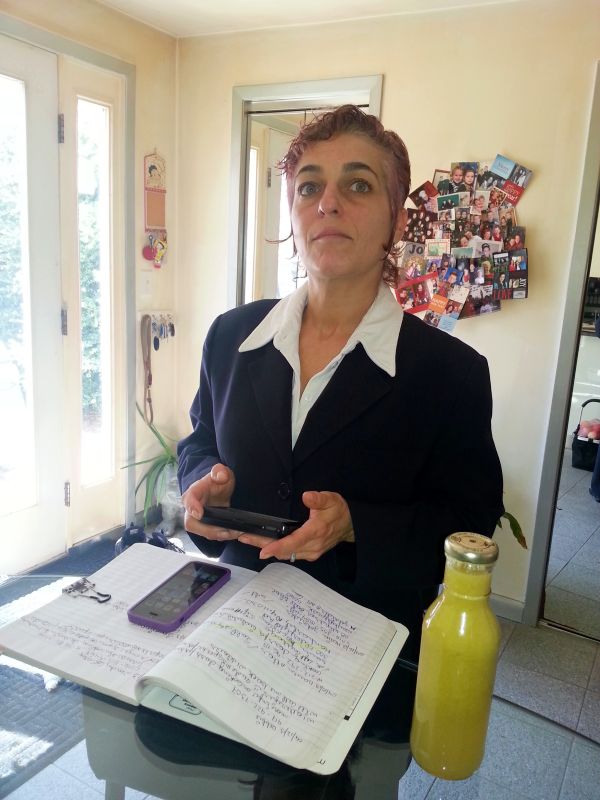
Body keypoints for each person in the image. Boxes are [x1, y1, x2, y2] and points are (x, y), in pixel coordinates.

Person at [177, 105, 504, 660]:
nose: (328, 202)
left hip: (363, 654)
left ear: (398, 222)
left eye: (358, 184)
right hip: (232, 629)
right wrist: (205, 480)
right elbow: (200, 440)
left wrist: (356, 526)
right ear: (294, 214)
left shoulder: (451, 375)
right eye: (309, 188)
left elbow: (470, 523)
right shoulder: (231, 336)